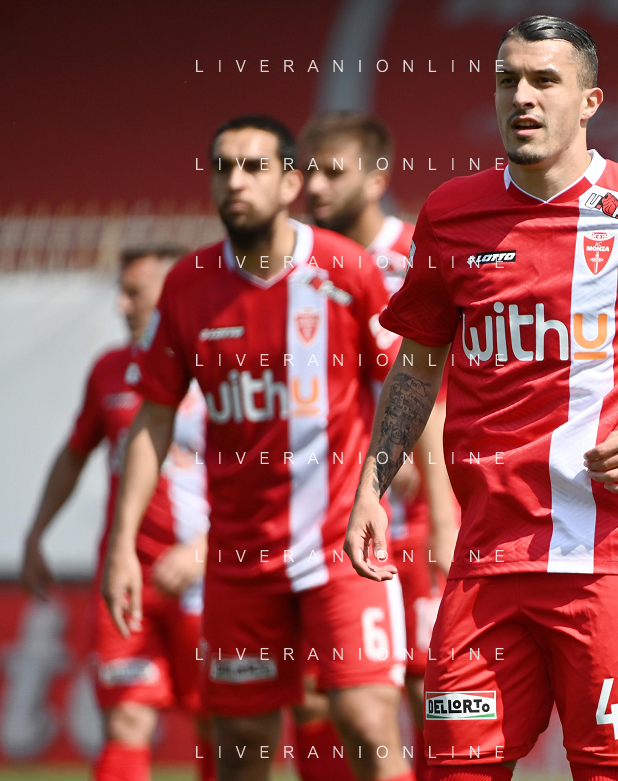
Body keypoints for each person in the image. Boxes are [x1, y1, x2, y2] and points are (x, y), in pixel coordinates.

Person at [344, 15, 618, 781]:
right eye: (508, 80)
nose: (522, 97)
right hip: (486, 560)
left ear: (590, 100)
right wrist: (370, 486)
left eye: (545, 80)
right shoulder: (450, 213)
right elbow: (418, 362)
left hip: (613, 560)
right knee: (453, 770)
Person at [101, 115, 412, 781]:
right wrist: (123, 543)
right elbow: (153, 418)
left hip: (340, 547)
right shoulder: (188, 285)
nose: (235, 182)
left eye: (254, 167)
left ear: (292, 183)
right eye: (222, 168)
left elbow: (406, 387)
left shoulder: (346, 268)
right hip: (240, 559)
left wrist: (387, 488)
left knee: (366, 720)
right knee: (241, 744)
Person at [302, 110, 460, 781]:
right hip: (327, 512)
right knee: (326, 704)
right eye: (307, 171)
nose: (314, 186)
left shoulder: (418, 255)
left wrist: (442, 508)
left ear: (376, 178)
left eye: (332, 172)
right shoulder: (299, 265)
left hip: (420, 511)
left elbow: (433, 385)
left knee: (432, 689)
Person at [22, 243, 212, 781]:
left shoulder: (223, 368)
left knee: (222, 725)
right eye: (119, 293)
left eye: (134, 293)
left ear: (173, 295)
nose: (120, 305)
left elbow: (265, 473)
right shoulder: (109, 370)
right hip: (126, 578)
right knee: (127, 720)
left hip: (211, 581)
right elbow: (74, 453)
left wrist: (204, 549)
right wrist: (37, 533)